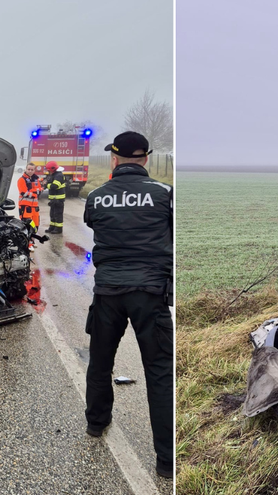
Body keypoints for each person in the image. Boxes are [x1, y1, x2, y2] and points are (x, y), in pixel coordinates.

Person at [83, 131, 174, 478]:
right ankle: (166, 462)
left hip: (108, 293)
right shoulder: (165, 195)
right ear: (147, 158)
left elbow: (94, 224)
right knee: (159, 371)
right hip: (150, 294)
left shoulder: (98, 197)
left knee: (101, 361)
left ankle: (96, 423)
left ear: (114, 159)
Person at [17, 163, 43, 232]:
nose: (30, 171)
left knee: (35, 228)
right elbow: (24, 193)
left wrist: (31, 191)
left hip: (35, 208)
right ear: (26, 169)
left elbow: (40, 190)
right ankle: (27, 242)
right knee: (26, 227)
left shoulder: (36, 179)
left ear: (34, 170)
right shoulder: (22, 180)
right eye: (28, 169)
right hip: (25, 207)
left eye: (32, 169)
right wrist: (34, 193)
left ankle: (32, 241)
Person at [43, 161, 66, 234]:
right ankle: (52, 227)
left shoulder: (58, 175)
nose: (48, 171)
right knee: (52, 214)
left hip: (58, 199)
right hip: (54, 199)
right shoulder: (54, 175)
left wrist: (47, 185)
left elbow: (54, 186)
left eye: (49, 170)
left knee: (58, 214)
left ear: (53, 169)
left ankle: (58, 229)